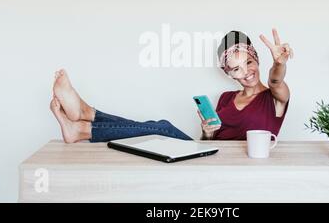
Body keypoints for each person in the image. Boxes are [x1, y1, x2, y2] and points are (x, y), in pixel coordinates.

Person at [50, 29, 292, 143]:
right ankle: (84, 120)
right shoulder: (226, 98)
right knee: (159, 127)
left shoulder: (274, 97)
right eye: (237, 68)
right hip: (210, 158)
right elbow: (207, 140)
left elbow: (275, 79)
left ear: (257, 59)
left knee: (162, 127)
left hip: (234, 167)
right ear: (229, 73)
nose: (246, 71)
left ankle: (85, 121)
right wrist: (207, 132)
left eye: (249, 62)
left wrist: (279, 62)